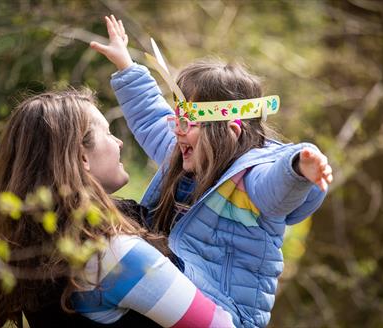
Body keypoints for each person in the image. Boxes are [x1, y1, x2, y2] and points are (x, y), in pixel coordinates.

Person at [91, 15, 333, 328]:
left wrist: (298, 168)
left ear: (230, 132)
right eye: (177, 118)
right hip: (182, 290)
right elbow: (151, 116)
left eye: (187, 123)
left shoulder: (251, 178)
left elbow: (276, 189)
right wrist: (126, 65)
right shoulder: (184, 154)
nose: (176, 131)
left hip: (227, 309)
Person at [0, 89, 234, 328]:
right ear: (82, 158)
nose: (119, 142)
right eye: (109, 133)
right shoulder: (116, 257)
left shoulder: (31, 247)